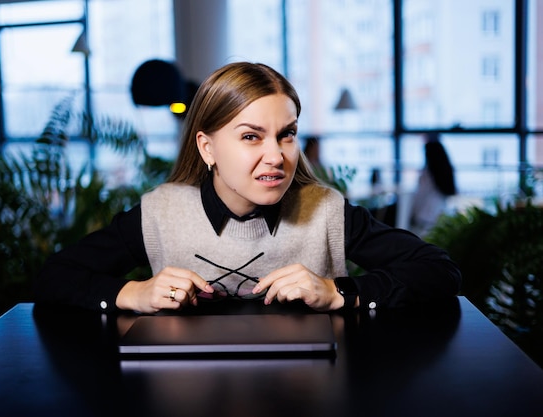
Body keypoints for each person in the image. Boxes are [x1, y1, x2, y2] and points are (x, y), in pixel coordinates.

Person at [34, 62, 461, 314]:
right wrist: (132, 293)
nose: (277, 156)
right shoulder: (161, 213)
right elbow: (54, 278)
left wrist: (338, 293)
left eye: (287, 134)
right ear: (208, 147)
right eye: (252, 136)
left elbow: (439, 273)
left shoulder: (326, 211)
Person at [409, 133, 457, 237]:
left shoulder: (428, 174)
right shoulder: (445, 171)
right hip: (438, 215)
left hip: (424, 218)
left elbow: (420, 196)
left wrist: (411, 211)